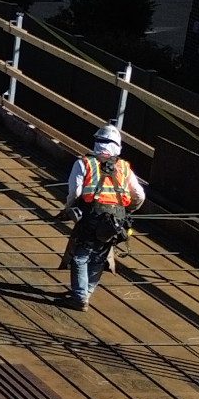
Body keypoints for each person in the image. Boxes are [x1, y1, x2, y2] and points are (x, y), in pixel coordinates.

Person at [64, 125, 145, 308]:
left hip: (90, 216)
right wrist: (127, 210)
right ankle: (87, 292)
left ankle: (80, 297)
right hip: (115, 220)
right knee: (100, 256)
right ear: (117, 146)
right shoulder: (124, 167)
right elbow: (139, 195)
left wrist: (69, 209)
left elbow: (74, 192)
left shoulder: (84, 163)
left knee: (80, 256)